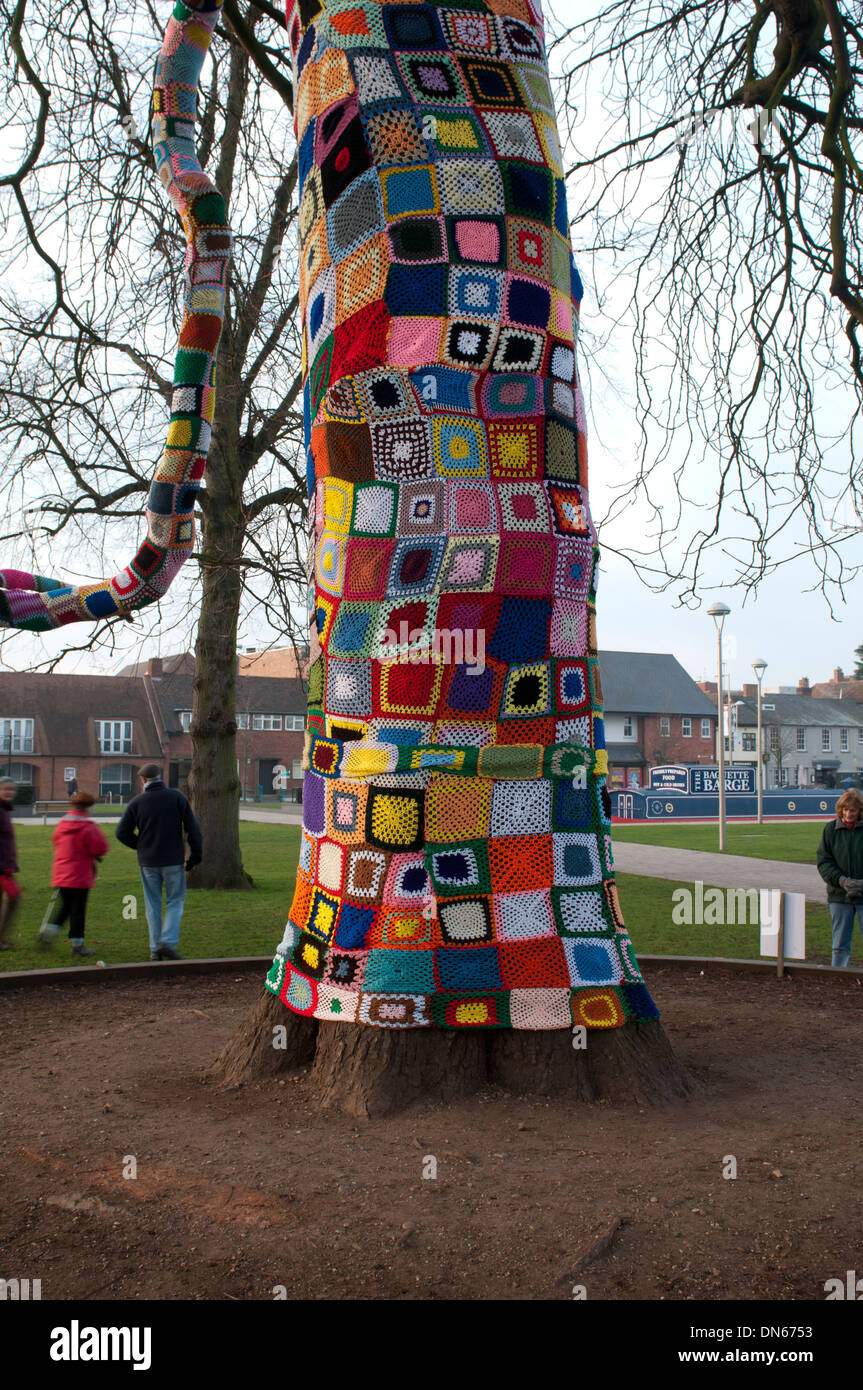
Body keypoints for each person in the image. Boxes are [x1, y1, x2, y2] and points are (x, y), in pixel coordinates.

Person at [115, 764, 202, 961]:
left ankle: (155, 948)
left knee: (152, 904)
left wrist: (140, 845)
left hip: (148, 861)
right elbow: (193, 828)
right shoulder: (176, 798)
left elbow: (121, 832)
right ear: (160, 777)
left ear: (142, 780)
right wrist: (196, 854)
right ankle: (168, 942)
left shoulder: (137, 802)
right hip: (173, 859)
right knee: (175, 901)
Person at [43, 791, 109, 957]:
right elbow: (100, 848)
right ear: (89, 807)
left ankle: (49, 931)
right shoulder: (88, 826)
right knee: (78, 910)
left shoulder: (62, 823)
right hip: (80, 873)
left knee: (66, 906)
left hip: (62, 871)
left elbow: (55, 840)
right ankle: (77, 945)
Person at [816, 788, 863, 967]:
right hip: (839, 895)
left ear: (860, 811)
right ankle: (837, 975)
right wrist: (842, 881)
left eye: (852, 810)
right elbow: (824, 862)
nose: (848, 814)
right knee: (839, 945)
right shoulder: (831, 830)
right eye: (845, 809)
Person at [0, 777, 21, 950]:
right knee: (14, 897)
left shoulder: (4, 810)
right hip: (1, 867)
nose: (9, 793)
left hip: (5, 865)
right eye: (6, 789)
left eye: (11, 789)